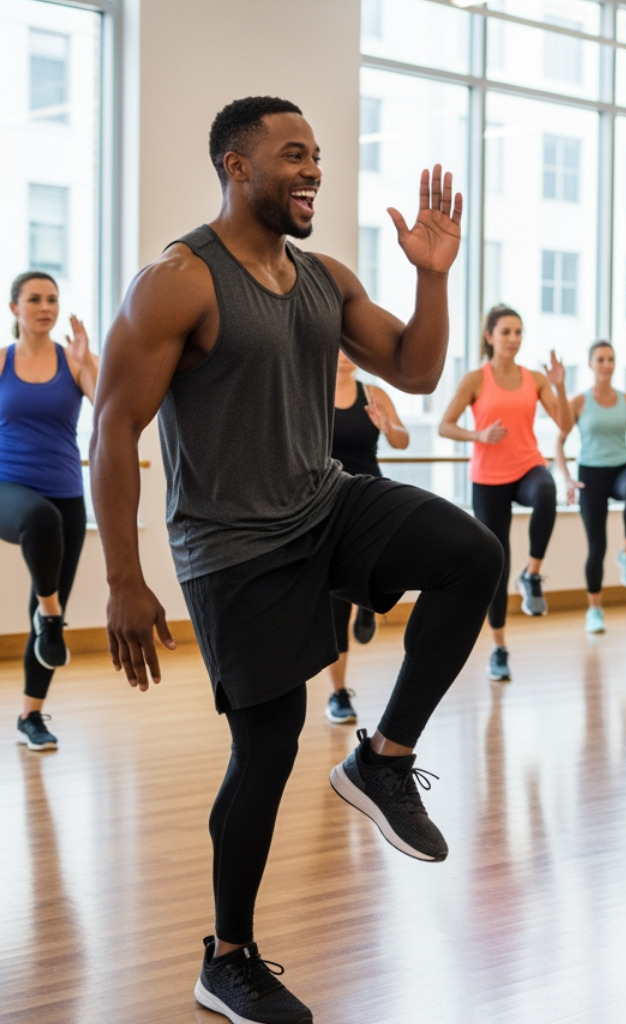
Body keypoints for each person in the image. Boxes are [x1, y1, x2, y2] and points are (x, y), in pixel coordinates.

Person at [91, 97, 502, 1024]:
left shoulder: (322, 277)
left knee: (471, 555)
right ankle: (227, 958)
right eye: (291, 156)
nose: (312, 170)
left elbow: (417, 368)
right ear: (237, 168)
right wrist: (122, 575)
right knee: (268, 748)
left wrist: (434, 277)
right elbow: (114, 422)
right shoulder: (179, 281)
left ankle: (383, 760)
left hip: (325, 502)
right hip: (231, 547)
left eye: (316, 155)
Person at [439, 305, 569, 681]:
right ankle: (499, 647)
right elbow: (445, 426)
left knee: (547, 491)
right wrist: (477, 435)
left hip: (528, 465)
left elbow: (563, 423)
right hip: (489, 476)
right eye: (506, 332)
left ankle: (533, 575)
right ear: (490, 336)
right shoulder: (475, 379)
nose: (514, 339)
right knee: (497, 561)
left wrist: (558, 384)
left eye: (518, 332)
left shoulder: (535, 379)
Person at [3, 271, 97, 751]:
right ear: (15, 308)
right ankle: (53, 617)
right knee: (40, 522)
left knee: (44, 594)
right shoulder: (1, 362)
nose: (45, 306)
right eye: (34, 299)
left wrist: (86, 365)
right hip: (8, 489)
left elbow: (111, 409)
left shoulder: (74, 360)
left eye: (52, 299)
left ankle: (30, 717)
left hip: (66, 495)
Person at [324, 349, 410, 725]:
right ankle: (338, 694)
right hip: (327, 501)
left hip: (370, 495)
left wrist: (387, 426)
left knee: (383, 562)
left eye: (351, 348)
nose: (346, 355)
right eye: (339, 347)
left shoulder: (373, 394)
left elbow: (403, 440)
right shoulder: (312, 391)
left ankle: (369, 604)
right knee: (334, 602)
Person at [554, 341, 626, 634]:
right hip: (591, 474)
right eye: (600, 359)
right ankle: (595, 609)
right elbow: (558, 443)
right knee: (596, 547)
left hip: (622, 467)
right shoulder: (579, 401)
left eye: (611, 359)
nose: (607, 364)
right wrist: (567, 478)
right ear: (590, 364)